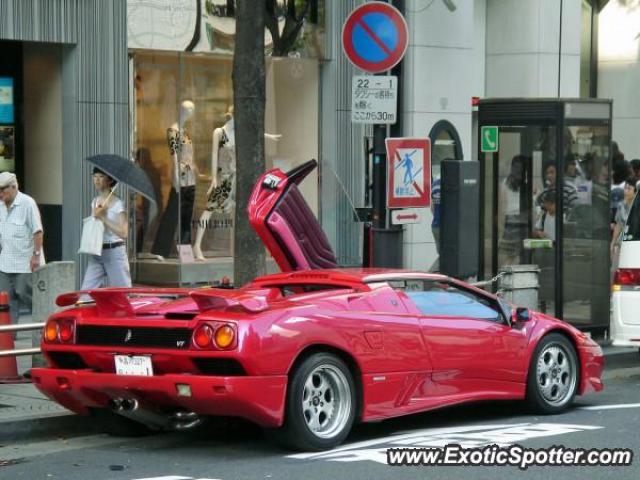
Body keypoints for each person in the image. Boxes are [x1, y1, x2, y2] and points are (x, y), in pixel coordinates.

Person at [192, 106, 280, 260]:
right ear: (232, 115)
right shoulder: (219, 132)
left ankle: (263, 247)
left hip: (237, 178)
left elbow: (255, 134)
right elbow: (214, 154)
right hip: (223, 177)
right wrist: (214, 178)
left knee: (248, 211)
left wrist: (269, 136)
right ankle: (197, 246)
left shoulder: (240, 133)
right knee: (209, 209)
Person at [151, 100, 197, 259]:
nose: (192, 112)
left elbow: (190, 154)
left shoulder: (185, 131)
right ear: (184, 110)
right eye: (190, 109)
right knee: (172, 212)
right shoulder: (173, 131)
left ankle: (186, 252)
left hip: (191, 176)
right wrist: (176, 177)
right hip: (181, 175)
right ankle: (160, 249)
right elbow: (174, 156)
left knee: (187, 214)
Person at [0, 172, 44, 324]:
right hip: (5, 262)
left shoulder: (27, 203)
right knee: (5, 300)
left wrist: (36, 255)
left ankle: (42, 324)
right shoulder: (0, 205)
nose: (0, 194)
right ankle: (8, 337)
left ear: (13, 187)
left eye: (2, 190)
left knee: (27, 295)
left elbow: (38, 231)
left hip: (25, 263)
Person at [80, 168, 131, 289]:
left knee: (121, 293)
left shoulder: (118, 203)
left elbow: (124, 233)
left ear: (109, 180)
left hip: (114, 251)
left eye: (101, 176)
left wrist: (104, 218)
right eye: (95, 176)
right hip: (97, 250)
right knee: (86, 292)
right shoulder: (95, 202)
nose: (97, 180)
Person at [610, 177, 637, 269]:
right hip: (622, 241)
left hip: (635, 242)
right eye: (625, 188)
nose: (625, 191)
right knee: (616, 268)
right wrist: (613, 242)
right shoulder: (621, 205)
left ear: (635, 192)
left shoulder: (637, 206)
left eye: (629, 188)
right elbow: (619, 225)